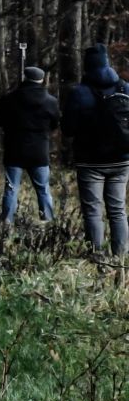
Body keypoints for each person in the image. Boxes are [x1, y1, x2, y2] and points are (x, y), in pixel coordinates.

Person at [63, 44, 129, 256]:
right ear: (107, 62)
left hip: (90, 161)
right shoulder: (125, 88)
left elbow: (68, 129)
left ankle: (97, 255)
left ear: (87, 66)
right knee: (118, 210)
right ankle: (121, 255)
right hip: (121, 158)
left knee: (93, 211)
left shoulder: (78, 93)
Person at [0, 66, 59, 225]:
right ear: (42, 80)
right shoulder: (50, 101)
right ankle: (47, 221)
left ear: (25, 77)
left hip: (14, 150)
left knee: (11, 188)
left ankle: (7, 222)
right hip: (39, 151)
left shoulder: (9, 99)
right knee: (43, 189)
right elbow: (55, 123)